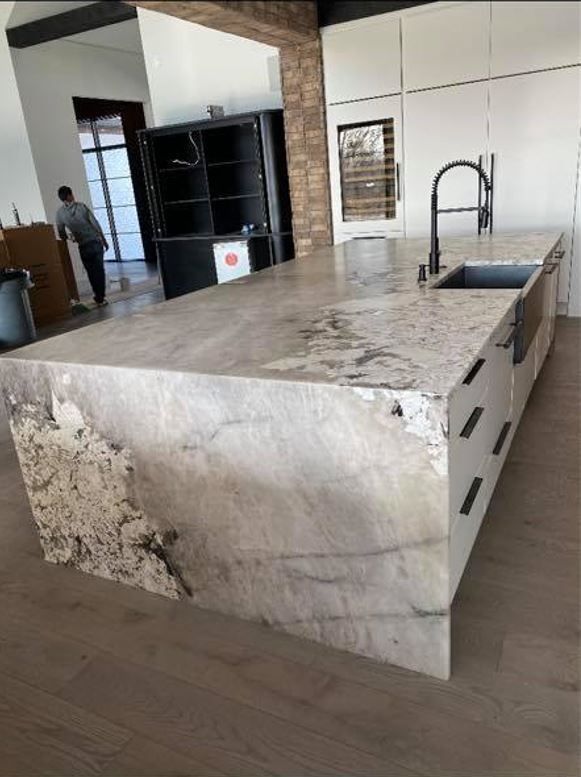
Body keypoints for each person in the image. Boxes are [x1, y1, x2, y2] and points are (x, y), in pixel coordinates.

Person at [55, 185, 109, 306]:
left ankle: (98, 296)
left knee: (91, 272)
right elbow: (95, 223)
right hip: (94, 242)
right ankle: (100, 297)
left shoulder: (60, 213)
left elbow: (61, 233)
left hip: (83, 246)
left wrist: (71, 237)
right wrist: (104, 240)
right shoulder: (81, 207)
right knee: (99, 271)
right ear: (69, 195)